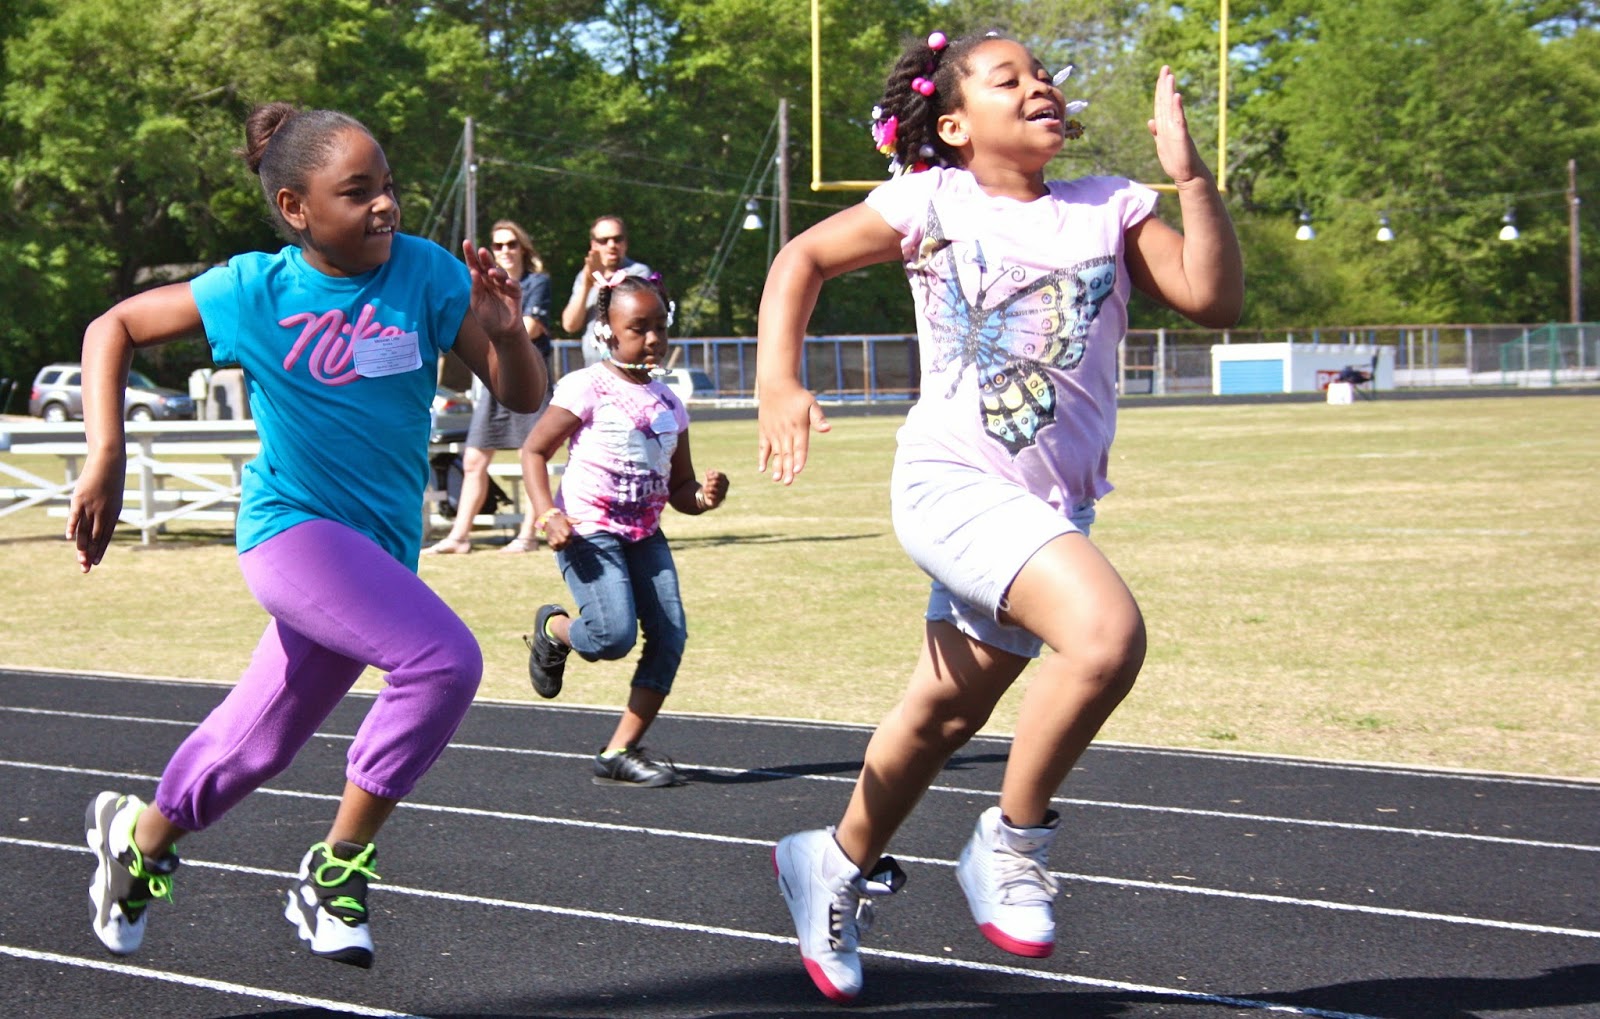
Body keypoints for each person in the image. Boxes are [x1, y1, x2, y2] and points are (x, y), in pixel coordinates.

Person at [756, 30, 1243, 1002]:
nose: (1038, 86)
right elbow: (802, 257)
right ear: (951, 122)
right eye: (1005, 77)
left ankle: (835, 862)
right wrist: (777, 378)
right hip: (948, 483)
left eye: (1043, 74)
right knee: (1104, 636)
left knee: (940, 713)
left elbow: (1212, 296)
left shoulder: (1112, 204)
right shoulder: (933, 199)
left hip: (1049, 507)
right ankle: (1009, 841)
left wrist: (1190, 179)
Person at [70, 102, 547, 969]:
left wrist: (508, 332)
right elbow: (116, 326)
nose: (385, 207)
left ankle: (136, 844)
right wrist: (107, 453)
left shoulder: (430, 276)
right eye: (358, 192)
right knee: (443, 660)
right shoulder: (256, 290)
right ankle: (335, 871)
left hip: (376, 557)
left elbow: (521, 395)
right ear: (297, 208)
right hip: (293, 533)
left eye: (389, 187)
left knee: (256, 744)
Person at [520, 272, 728, 787]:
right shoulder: (586, 387)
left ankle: (619, 751)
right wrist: (548, 513)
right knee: (611, 638)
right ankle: (554, 630)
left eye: (660, 326)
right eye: (639, 328)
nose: (653, 338)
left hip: (645, 534)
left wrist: (703, 497)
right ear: (607, 332)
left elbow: (680, 489)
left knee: (669, 636)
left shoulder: (671, 403)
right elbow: (534, 451)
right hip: (588, 530)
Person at [424, 218, 554, 554]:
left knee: (531, 456)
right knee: (473, 458)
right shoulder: (484, 284)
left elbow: (531, 327)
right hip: (494, 382)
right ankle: (459, 537)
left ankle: (528, 535)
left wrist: (500, 325)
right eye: (498, 245)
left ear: (523, 248)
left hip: (528, 382)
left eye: (511, 244)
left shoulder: (537, 283)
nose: (505, 251)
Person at [560, 214, 654, 367]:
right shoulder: (584, 276)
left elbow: (634, 316)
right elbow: (570, 325)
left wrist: (601, 282)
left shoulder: (639, 273)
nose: (611, 245)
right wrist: (587, 283)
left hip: (630, 369)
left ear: (626, 242)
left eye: (617, 239)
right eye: (603, 240)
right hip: (594, 368)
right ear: (593, 245)